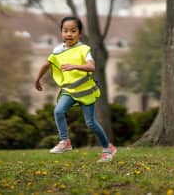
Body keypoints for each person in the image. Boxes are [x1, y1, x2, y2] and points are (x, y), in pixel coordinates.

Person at [34, 16, 117, 163]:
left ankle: (107, 148)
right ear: (61, 33)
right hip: (69, 91)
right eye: (65, 31)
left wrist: (75, 66)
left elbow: (91, 67)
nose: (69, 34)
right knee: (58, 111)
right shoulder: (58, 51)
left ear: (79, 33)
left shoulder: (84, 49)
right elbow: (47, 64)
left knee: (90, 123)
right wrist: (38, 79)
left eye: (73, 31)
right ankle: (65, 141)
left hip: (85, 91)